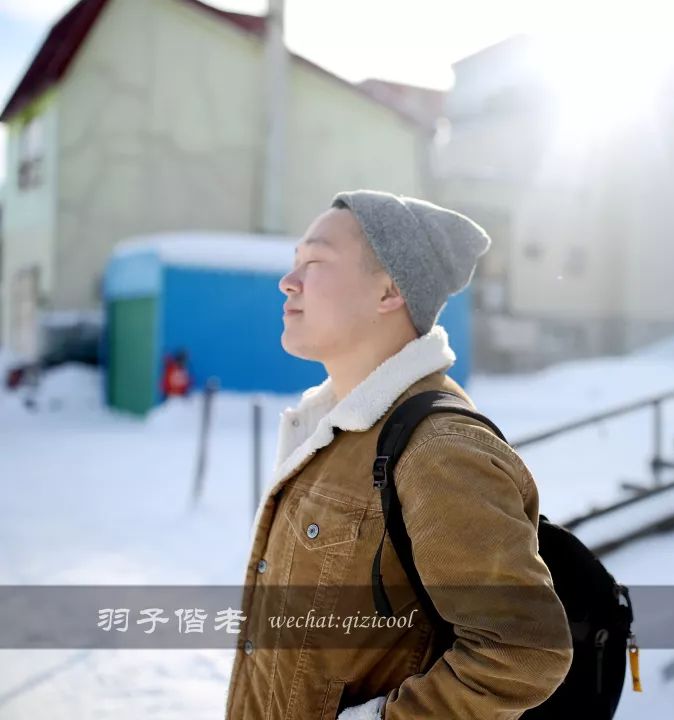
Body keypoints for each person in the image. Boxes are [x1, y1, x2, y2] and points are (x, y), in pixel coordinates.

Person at [224, 190, 573, 720]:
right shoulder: (333, 427)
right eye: (295, 261)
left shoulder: (438, 449)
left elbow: (522, 651)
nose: (288, 282)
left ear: (389, 290)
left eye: (315, 262)